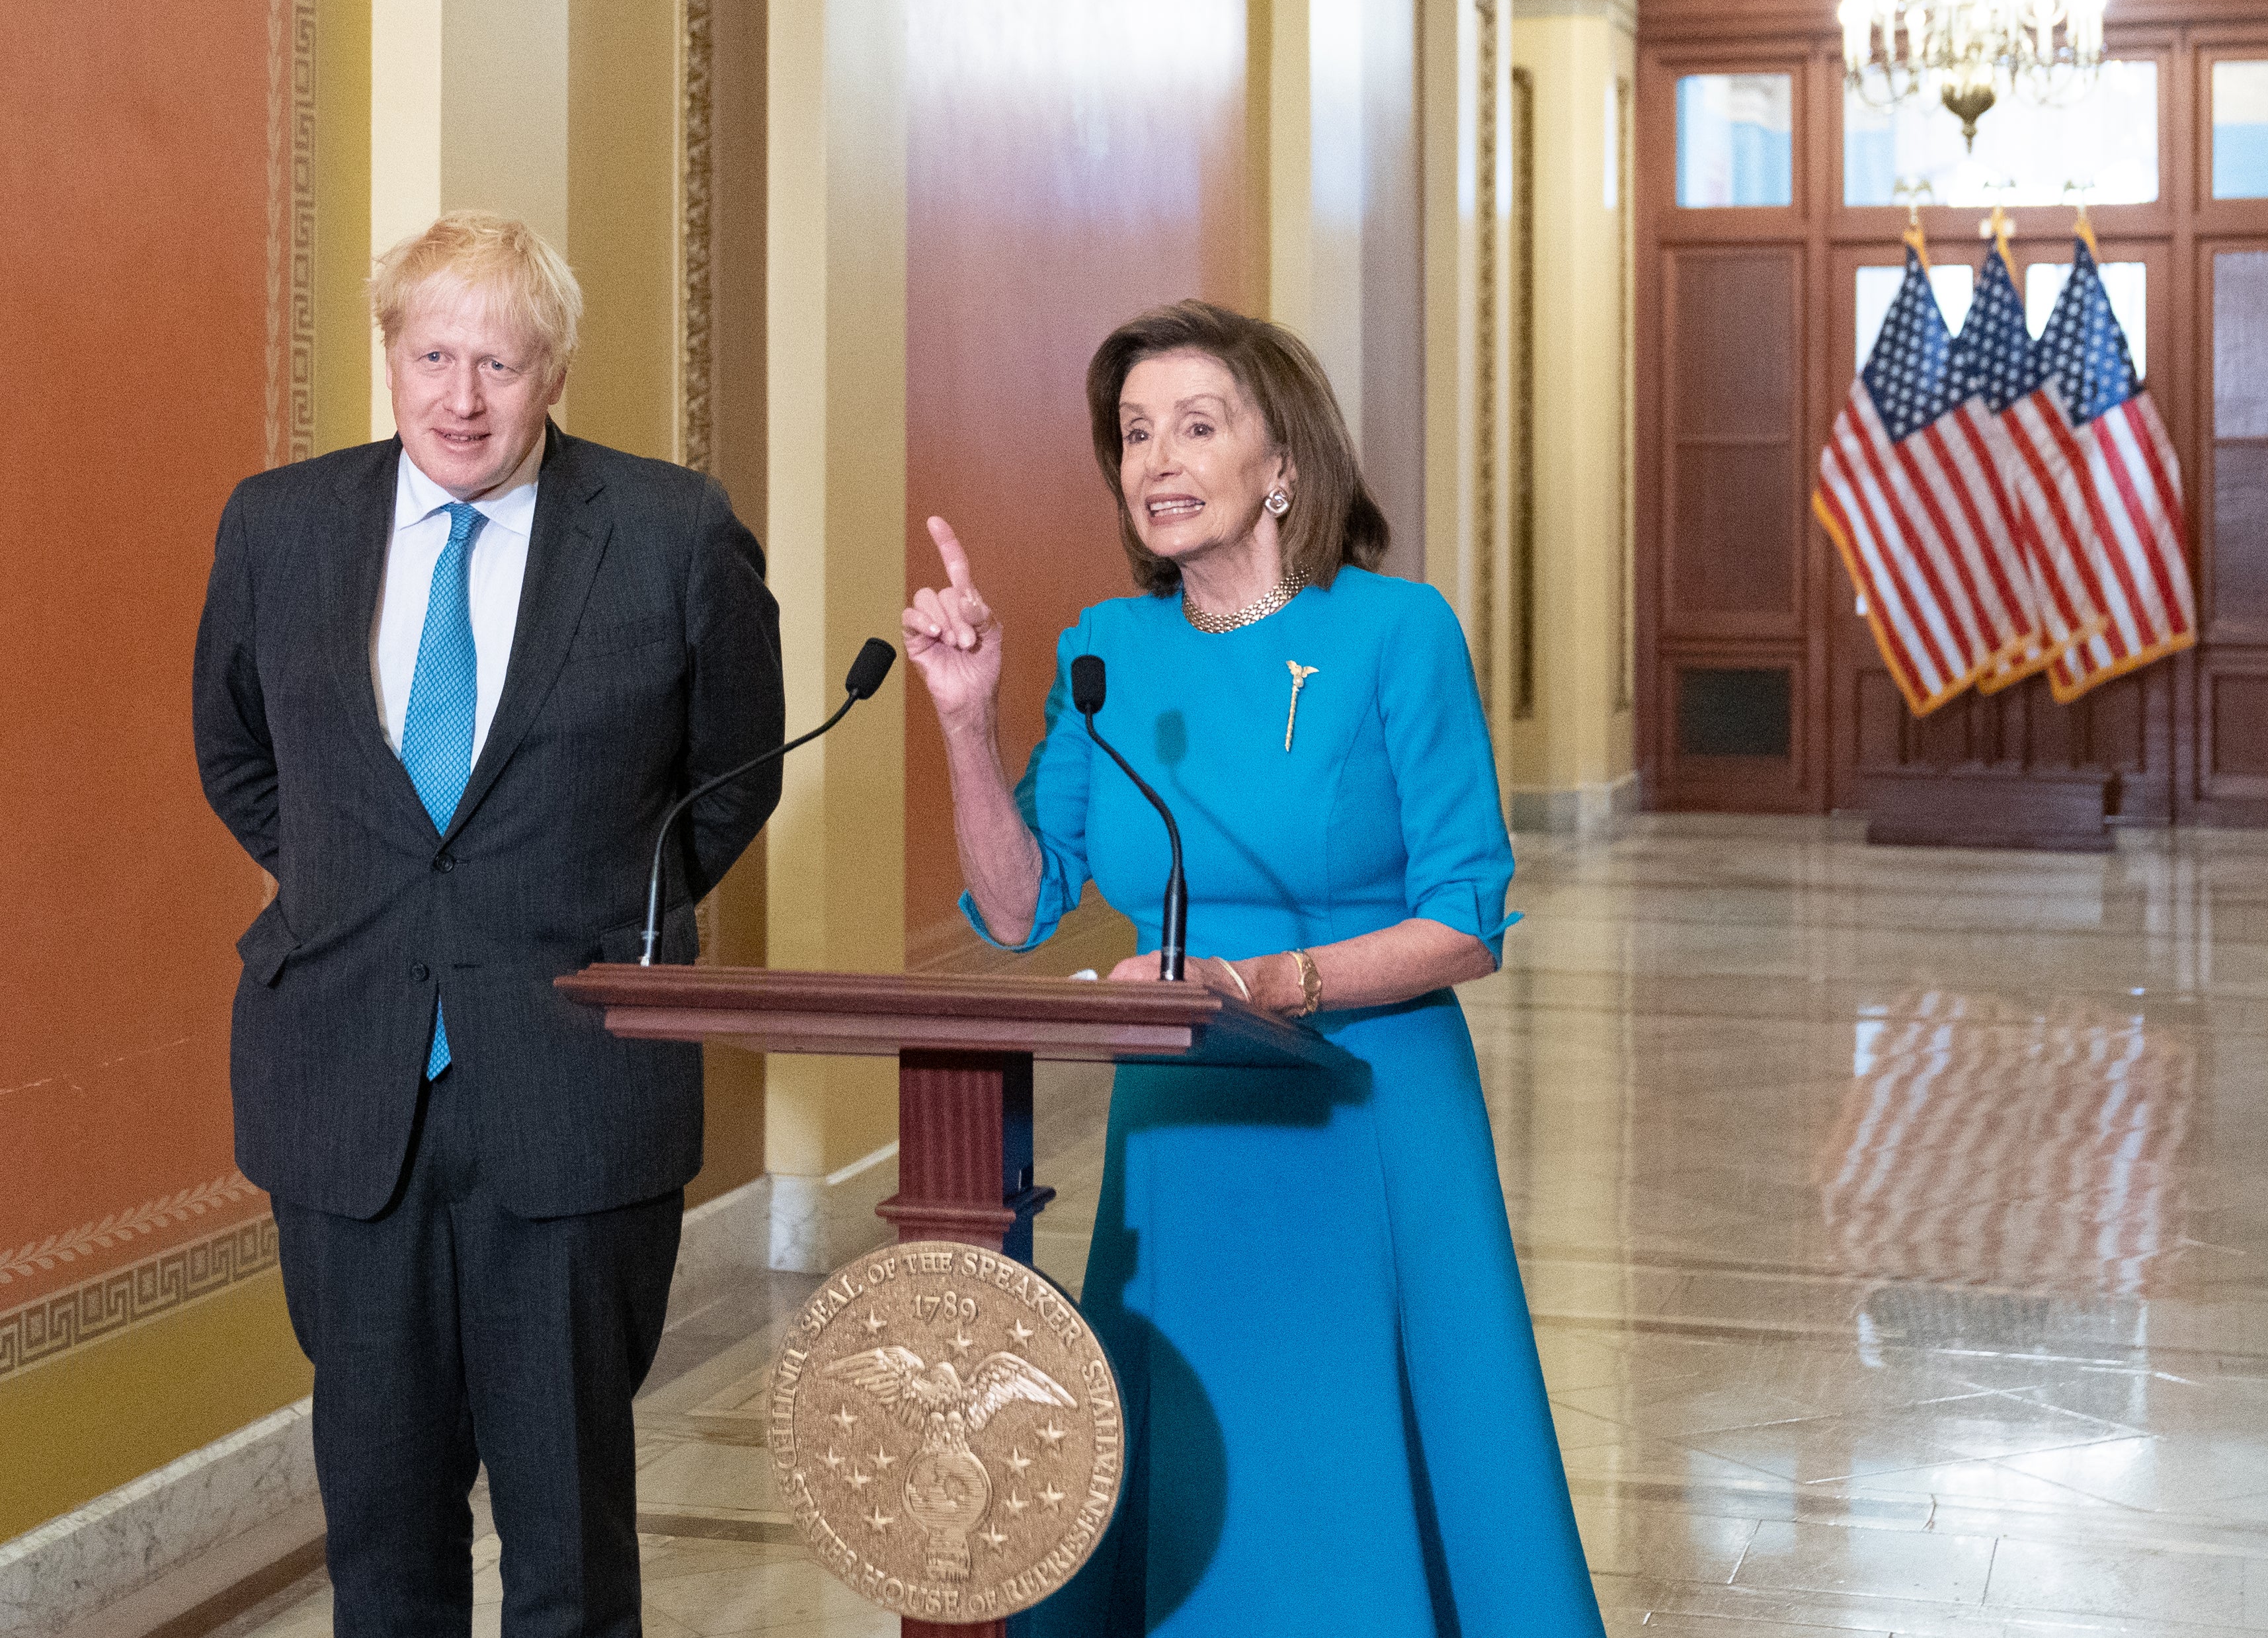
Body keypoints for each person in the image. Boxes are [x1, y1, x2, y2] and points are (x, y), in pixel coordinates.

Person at [902, 300, 1604, 1635]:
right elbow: (1014, 907)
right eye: (1132, 434)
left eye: (1195, 426)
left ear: (1280, 463)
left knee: (1346, 1460)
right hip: (1178, 1127)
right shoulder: (1103, 651)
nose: (1157, 459)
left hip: (1364, 1110)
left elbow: (1466, 919)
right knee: (1189, 1456)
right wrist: (963, 720)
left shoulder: (1393, 633)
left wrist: (1267, 985)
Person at [192, 212, 786, 1637]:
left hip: (575, 1082)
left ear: (556, 373)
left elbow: (732, 774)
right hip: (344, 1082)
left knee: (569, 1537)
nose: (464, 397)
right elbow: (239, 757)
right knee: (381, 1531)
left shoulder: (665, 529)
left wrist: (594, 910)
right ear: (389, 358)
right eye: (435, 354)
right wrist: (367, 888)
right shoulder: (279, 524)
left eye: (502, 364)